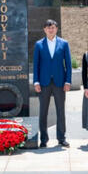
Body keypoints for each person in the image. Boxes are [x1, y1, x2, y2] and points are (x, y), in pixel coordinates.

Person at [33, 19, 71, 148]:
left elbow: (69, 65)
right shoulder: (39, 45)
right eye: (48, 27)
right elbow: (36, 65)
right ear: (44, 29)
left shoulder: (64, 44)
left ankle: (61, 138)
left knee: (61, 111)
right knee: (43, 111)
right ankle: (44, 139)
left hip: (60, 82)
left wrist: (68, 81)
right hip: (43, 83)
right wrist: (36, 81)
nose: (51, 29)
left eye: (53, 27)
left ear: (56, 29)